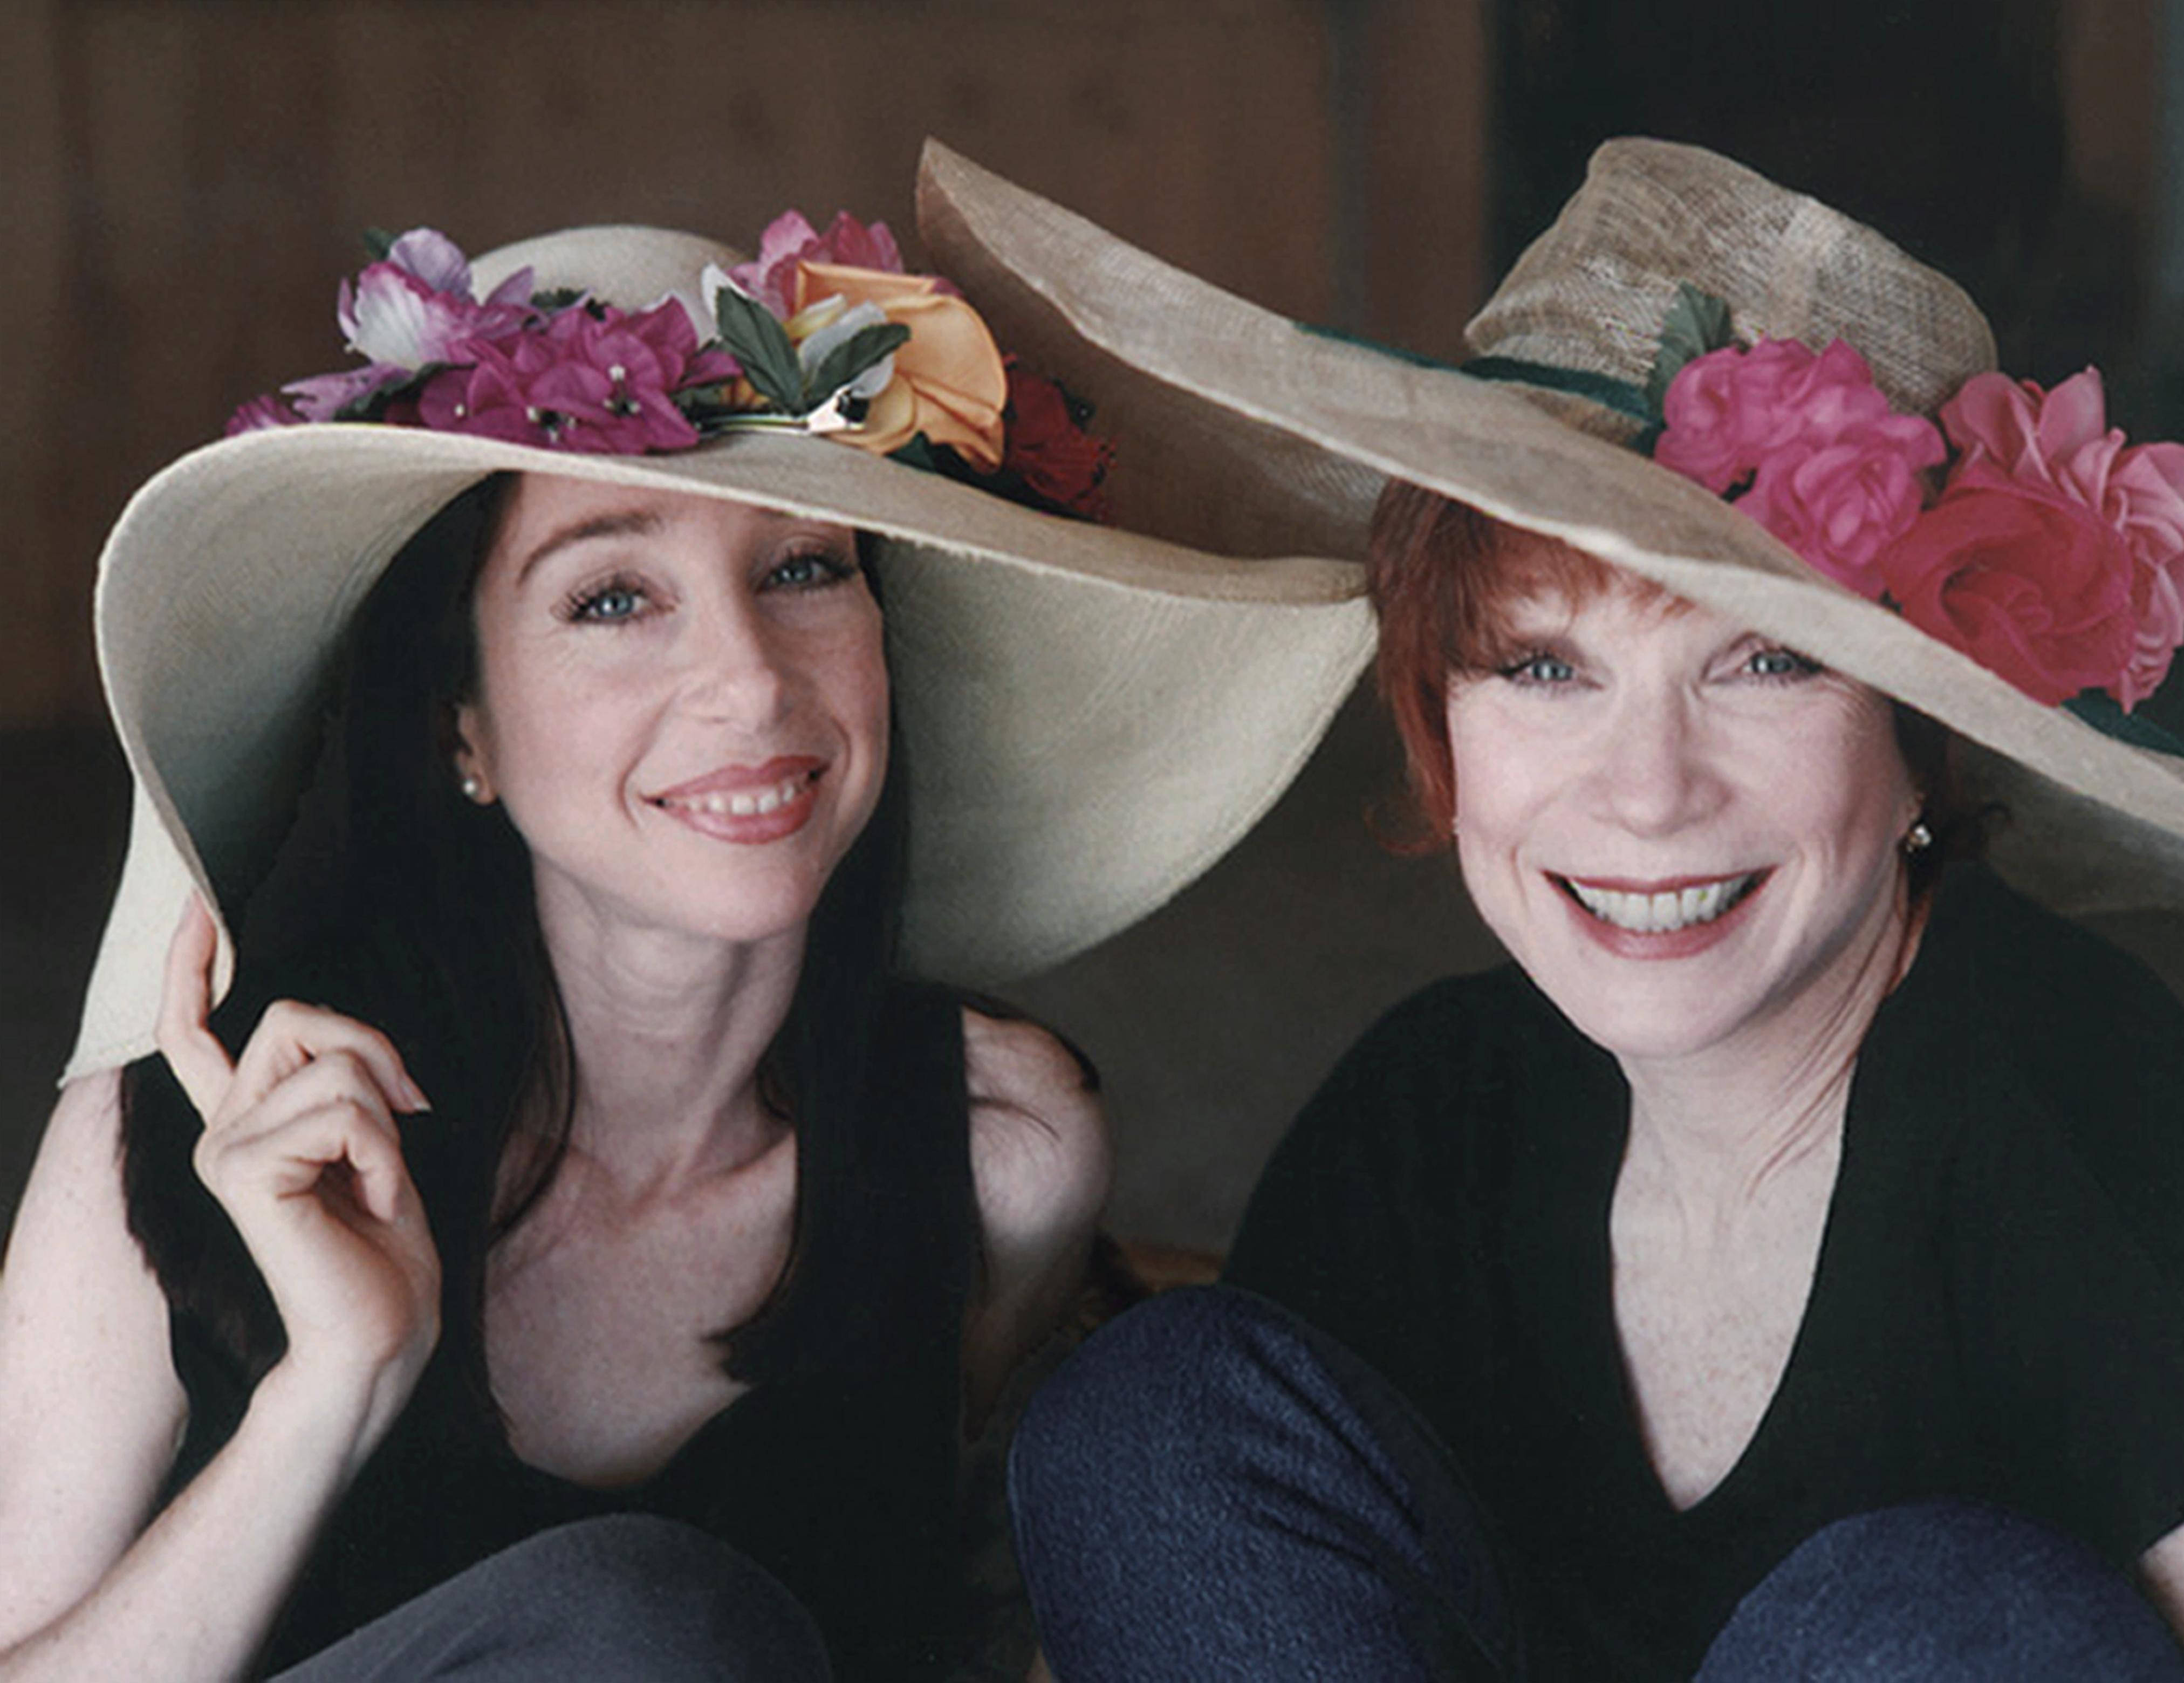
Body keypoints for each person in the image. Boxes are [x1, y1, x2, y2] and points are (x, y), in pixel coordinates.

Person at [916, 140, 2184, 1678]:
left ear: (1922, 753)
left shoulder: (2061, 1088)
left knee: (1932, 1608)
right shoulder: (1429, 1116)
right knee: (1157, 1411)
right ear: (1439, 732)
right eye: (1545, 668)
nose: (1645, 792)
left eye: (1765, 663)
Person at [0, 189, 1375, 1680]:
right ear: (463, 727)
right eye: (609, 597)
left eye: (801, 571)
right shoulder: (184, 1141)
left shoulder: (995, 1151)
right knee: (633, 1618)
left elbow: (962, 1626)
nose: (747, 682)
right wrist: (332, 1388)